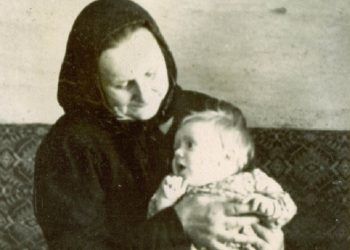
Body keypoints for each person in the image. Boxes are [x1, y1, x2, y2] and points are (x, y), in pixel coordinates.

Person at [33, 0, 285, 249]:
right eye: (123, 85)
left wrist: (272, 239)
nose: (144, 95)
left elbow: (256, 199)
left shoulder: (211, 115)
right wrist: (177, 224)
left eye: (151, 73)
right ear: (94, 84)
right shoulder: (70, 144)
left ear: (164, 56)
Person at [148, 110, 297, 250]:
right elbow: (158, 229)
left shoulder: (251, 180)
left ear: (228, 157)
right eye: (176, 147)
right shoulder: (180, 191)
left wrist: (270, 207)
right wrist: (164, 200)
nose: (178, 152)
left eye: (190, 145)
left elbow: (287, 206)